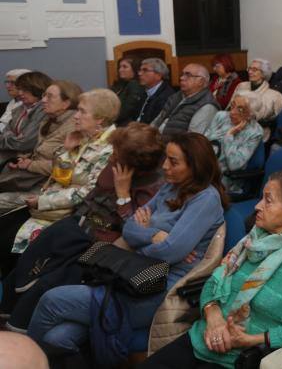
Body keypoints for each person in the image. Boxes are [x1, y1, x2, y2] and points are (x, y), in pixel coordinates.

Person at [27, 132, 226, 360]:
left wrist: (146, 239)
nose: (165, 166)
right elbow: (130, 228)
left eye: (174, 161)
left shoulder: (205, 199)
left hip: (158, 288)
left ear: (196, 166)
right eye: (166, 159)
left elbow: (170, 251)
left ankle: (21, 361)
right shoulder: (171, 187)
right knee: (58, 337)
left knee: (52, 300)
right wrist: (154, 236)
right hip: (130, 275)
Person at [138, 171, 282, 369]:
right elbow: (214, 280)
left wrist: (253, 339)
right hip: (204, 336)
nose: (257, 206)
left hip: (241, 357)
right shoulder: (257, 237)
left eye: (268, 201)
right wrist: (213, 317)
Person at [0, 123, 163, 330]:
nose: (112, 156)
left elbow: (132, 229)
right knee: (35, 252)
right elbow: (90, 197)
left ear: (134, 163)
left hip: (106, 241)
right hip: (82, 224)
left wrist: (123, 195)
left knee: (53, 276)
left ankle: (19, 326)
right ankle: (7, 306)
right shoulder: (114, 164)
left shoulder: (152, 187)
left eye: (117, 153)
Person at [2, 89, 120, 258]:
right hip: (51, 205)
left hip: (76, 214)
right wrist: (66, 150)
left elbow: (89, 192)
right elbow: (59, 174)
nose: (75, 116)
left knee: (10, 244)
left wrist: (42, 201)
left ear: (100, 119)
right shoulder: (85, 137)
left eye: (82, 111)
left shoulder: (110, 148)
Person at [0, 80, 81, 194]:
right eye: (44, 95)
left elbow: (70, 167)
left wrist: (30, 165)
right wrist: (23, 159)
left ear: (66, 103)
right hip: (30, 179)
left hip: (48, 186)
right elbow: (40, 151)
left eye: (50, 97)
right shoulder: (48, 120)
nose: (43, 100)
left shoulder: (75, 127)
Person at [204, 92, 265, 192]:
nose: (232, 112)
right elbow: (203, 141)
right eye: (232, 106)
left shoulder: (255, 132)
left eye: (240, 109)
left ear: (251, 113)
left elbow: (234, 164)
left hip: (223, 179)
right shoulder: (221, 116)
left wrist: (229, 136)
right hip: (203, 165)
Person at [152, 64, 220, 137]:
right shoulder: (176, 96)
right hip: (156, 142)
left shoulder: (207, 106)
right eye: (182, 74)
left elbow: (193, 140)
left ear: (200, 81)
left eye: (188, 75)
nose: (181, 78)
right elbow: (157, 121)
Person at [0, 71, 51, 166]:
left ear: (37, 89)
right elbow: (5, 131)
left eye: (25, 90)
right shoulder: (19, 109)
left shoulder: (43, 111)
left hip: (25, 159)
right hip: (9, 154)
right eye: (19, 89)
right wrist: (12, 136)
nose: (20, 93)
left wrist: (9, 136)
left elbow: (24, 143)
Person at [231, 58, 282, 124]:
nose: (250, 72)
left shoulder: (275, 96)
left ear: (263, 74)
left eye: (254, 70)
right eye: (249, 69)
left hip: (259, 129)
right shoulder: (241, 86)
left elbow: (280, 120)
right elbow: (231, 107)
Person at [136, 58, 175, 124]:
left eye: (145, 70)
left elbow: (155, 124)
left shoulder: (166, 96)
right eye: (140, 70)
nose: (140, 73)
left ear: (158, 75)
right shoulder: (143, 92)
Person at [111, 57, 145, 125]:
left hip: (128, 125)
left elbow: (127, 110)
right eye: (120, 67)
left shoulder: (134, 85)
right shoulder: (121, 84)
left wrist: (109, 118)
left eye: (125, 67)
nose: (120, 70)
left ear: (135, 69)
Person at [0, 69, 31, 133]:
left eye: (12, 83)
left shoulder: (28, 104)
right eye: (7, 82)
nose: (8, 86)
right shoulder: (13, 101)